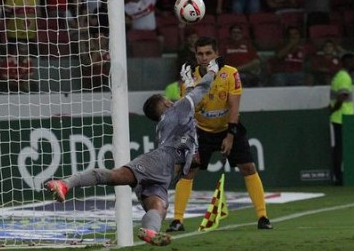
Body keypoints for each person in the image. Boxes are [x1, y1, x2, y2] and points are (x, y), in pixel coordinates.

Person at [45, 57, 224, 246]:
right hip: (161, 161)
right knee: (114, 176)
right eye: (168, 100)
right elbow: (202, 90)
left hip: (165, 174)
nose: (172, 101)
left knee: (159, 207)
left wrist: (188, 85)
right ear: (166, 105)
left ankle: (149, 231)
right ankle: (65, 184)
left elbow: (188, 104)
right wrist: (212, 71)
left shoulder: (172, 116)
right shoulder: (175, 111)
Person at [166, 36, 272, 233]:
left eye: (208, 53)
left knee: (248, 167)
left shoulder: (230, 73)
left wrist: (230, 136)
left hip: (228, 127)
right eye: (200, 54)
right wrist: (193, 145)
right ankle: (177, 220)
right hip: (201, 131)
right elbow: (186, 116)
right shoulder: (189, 80)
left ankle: (263, 216)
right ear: (195, 56)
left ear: (217, 54)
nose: (204, 57)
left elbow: (234, 106)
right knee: (188, 171)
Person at [329, 53, 354, 186]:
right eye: (351, 61)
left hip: (338, 117)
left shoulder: (338, 76)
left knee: (339, 147)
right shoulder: (345, 77)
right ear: (346, 63)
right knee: (340, 148)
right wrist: (333, 110)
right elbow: (342, 96)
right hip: (342, 117)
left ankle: (338, 175)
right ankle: (339, 176)